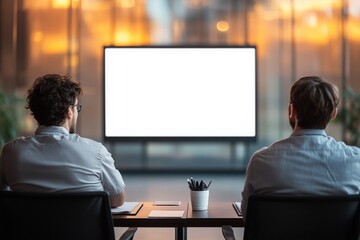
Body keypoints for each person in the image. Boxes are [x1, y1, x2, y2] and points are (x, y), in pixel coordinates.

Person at [241, 76, 360, 219]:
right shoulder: (356, 161)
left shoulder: (261, 161)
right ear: (333, 113)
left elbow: (248, 216)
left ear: (291, 110)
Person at [0, 74, 125, 207]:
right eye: (77, 107)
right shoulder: (95, 152)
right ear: (69, 111)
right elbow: (117, 199)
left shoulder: (11, 152)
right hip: (81, 228)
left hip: (27, 228)